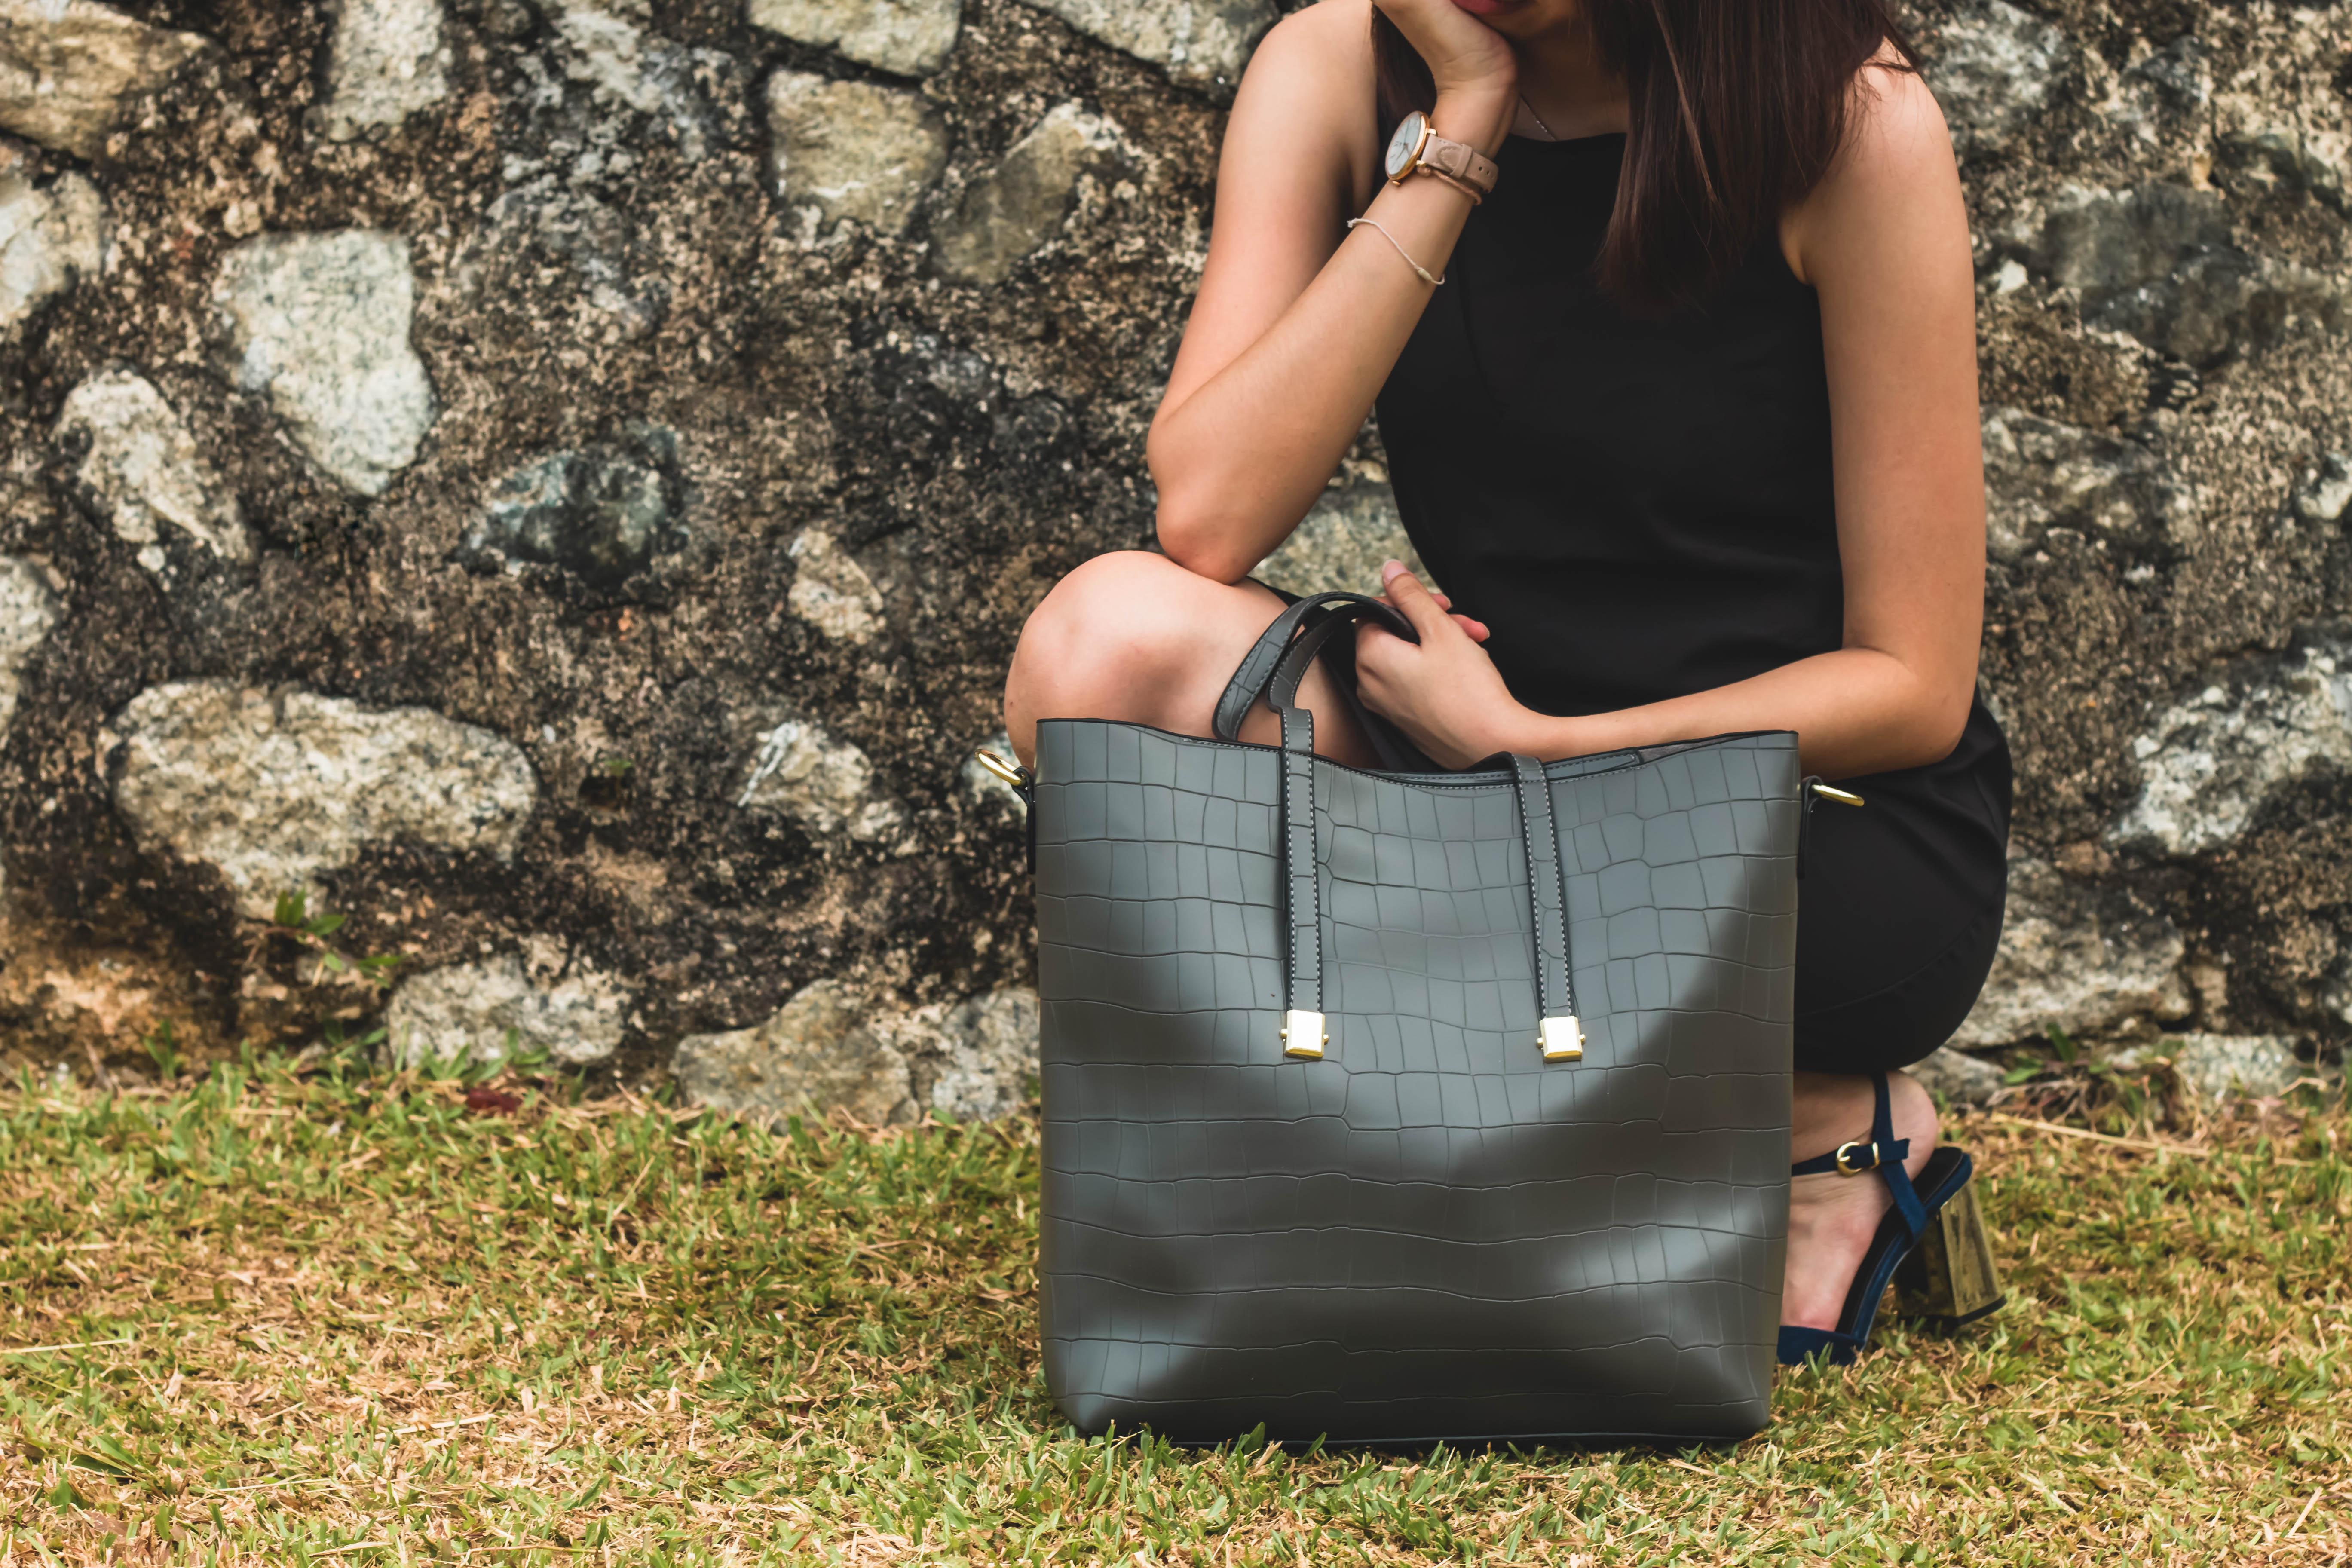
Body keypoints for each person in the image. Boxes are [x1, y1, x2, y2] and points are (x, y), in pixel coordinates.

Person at [1001, 0, 2010, 1363]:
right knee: (1103, 649)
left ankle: (1818, 1120)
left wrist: (1540, 744)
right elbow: (1211, 513)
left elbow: (1913, 684)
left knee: (1722, 858)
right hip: (1479, 792)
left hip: (1796, 829)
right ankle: (1648, 1128)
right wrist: (1462, 122)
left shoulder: (1846, 120)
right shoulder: (1342, 69)